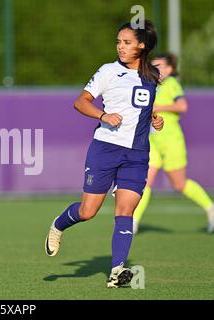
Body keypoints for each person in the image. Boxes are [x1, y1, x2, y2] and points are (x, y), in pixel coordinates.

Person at [45, 20, 164, 288]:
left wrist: (156, 120)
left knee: (125, 210)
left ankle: (116, 271)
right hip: (105, 150)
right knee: (88, 212)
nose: (120, 47)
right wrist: (103, 115)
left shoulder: (152, 77)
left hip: (137, 154)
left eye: (127, 42)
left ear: (142, 45)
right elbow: (80, 102)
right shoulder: (109, 71)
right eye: (119, 42)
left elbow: (142, 108)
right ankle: (58, 225)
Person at [132, 53, 214, 234]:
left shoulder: (171, 85)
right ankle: (133, 221)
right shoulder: (149, 84)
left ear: (170, 69)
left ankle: (210, 208)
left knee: (179, 184)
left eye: (160, 66)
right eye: (153, 65)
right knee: (144, 182)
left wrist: (158, 107)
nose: (156, 69)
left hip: (171, 141)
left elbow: (182, 106)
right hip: (152, 142)